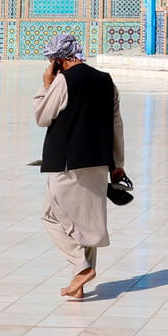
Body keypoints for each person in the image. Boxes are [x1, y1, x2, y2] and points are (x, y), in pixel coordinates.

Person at [32, 34, 127, 299]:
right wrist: (117, 165)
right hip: (99, 162)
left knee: (51, 215)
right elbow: (116, 125)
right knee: (86, 222)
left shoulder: (63, 81)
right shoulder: (106, 81)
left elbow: (42, 116)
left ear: (58, 60)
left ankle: (81, 267)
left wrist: (45, 85)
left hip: (67, 163)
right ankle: (79, 285)